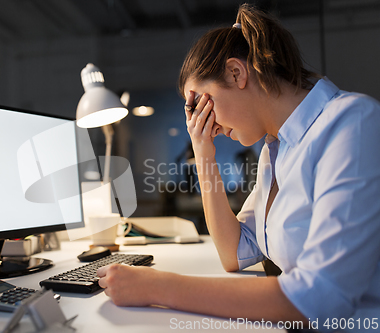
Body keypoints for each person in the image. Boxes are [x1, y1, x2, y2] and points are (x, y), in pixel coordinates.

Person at [97, 4, 380, 331]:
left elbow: (319, 299)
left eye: (201, 104)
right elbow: (234, 252)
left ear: (236, 73)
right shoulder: (276, 150)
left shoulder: (352, 123)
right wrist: (203, 150)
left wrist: (158, 287)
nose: (205, 122)